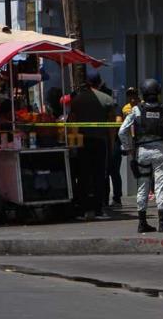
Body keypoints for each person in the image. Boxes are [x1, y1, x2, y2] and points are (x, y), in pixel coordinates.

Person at [118, 79, 163, 233]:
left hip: (142, 152)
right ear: (158, 93)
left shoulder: (137, 110)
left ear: (143, 93)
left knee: (143, 186)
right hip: (160, 151)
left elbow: (122, 131)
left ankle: (142, 222)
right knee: (160, 186)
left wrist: (129, 147)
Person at [69, 69, 116, 221]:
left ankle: (83, 209)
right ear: (99, 82)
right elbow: (111, 126)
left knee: (83, 175)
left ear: (87, 82)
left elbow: (71, 122)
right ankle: (98, 209)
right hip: (100, 141)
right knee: (99, 176)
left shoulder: (77, 100)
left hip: (83, 141)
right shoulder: (107, 99)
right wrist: (111, 143)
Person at [105, 87, 140, 208]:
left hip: (114, 143)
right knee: (111, 172)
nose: (132, 97)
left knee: (112, 171)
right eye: (130, 95)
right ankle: (112, 198)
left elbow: (118, 126)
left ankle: (115, 198)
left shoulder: (117, 109)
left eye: (134, 94)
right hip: (115, 143)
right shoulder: (122, 108)